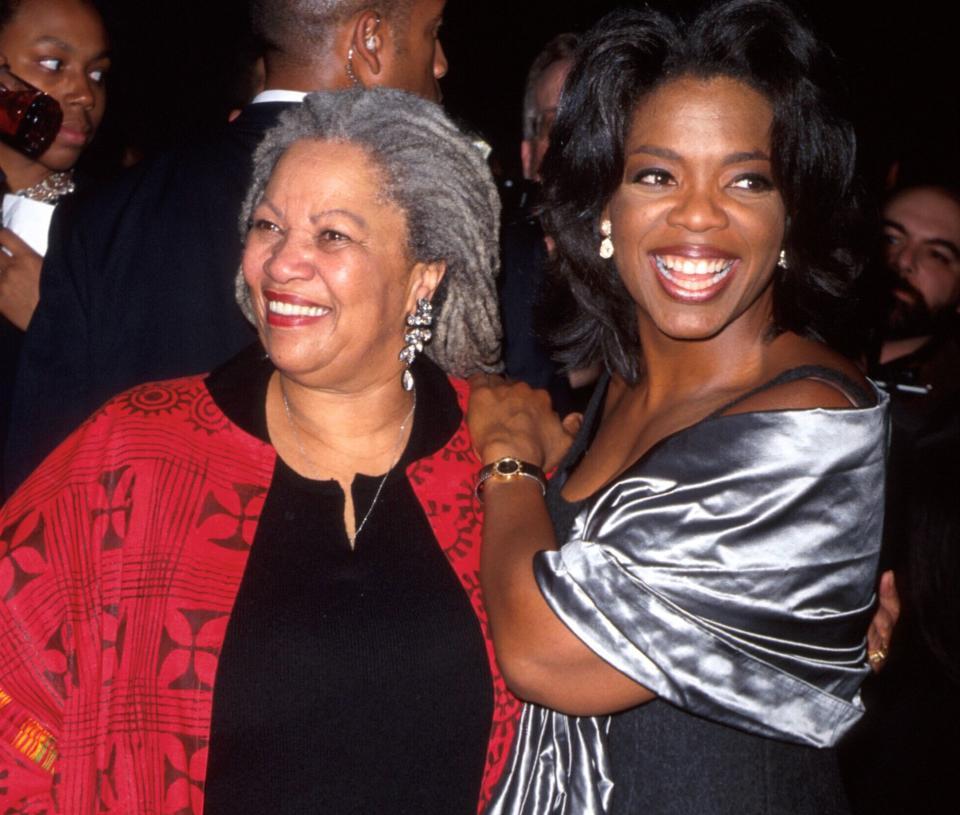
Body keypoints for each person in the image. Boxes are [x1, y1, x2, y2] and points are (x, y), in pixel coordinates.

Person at [0, 88, 516, 813]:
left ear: (423, 276)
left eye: (332, 236)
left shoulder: (498, 458)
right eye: (269, 225)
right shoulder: (141, 451)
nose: (282, 264)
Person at [469, 3, 891, 813]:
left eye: (746, 179)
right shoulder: (626, 377)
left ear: (790, 215)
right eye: (656, 174)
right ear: (604, 208)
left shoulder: (809, 417)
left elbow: (547, 653)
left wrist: (510, 463)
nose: (699, 214)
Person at [3, 0, 448, 495]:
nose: (440, 64)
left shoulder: (108, 215)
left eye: (98, 72)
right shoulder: (429, 215)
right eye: (433, 33)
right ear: (369, 40)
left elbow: (35, 487)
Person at [0, 0, 110, 498]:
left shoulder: (116, 228)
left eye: (97, 73)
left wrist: (55, 324)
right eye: (53, 64)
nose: (83, 93)